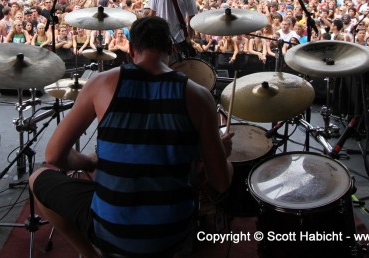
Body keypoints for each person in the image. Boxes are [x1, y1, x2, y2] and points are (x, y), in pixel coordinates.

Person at [29, 16, 233, 257]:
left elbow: (54, 154)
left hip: (111, 232)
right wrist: (223, 155)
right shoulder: (199, 96)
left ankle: (90, 253)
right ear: (170, 49)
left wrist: (90, 161)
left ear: (131, 49)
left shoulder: (100, 83)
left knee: (37, 178)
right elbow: (220, 182)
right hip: (173, 235)